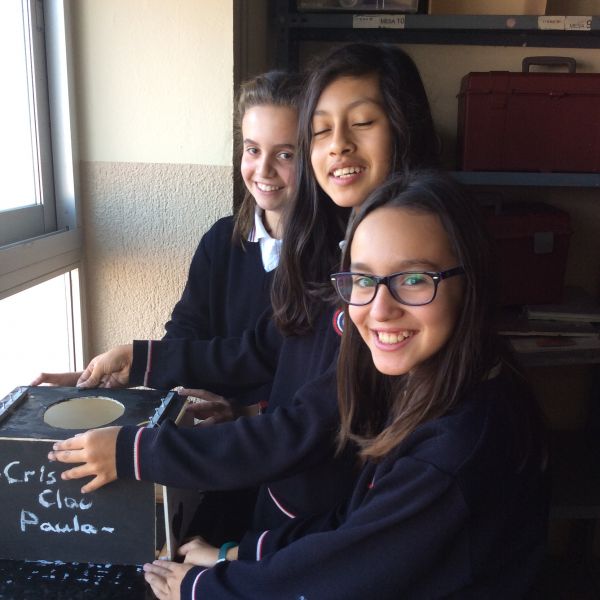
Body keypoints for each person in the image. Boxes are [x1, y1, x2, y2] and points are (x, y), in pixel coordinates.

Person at [47, 44, 439, 533]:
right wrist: (141, 361)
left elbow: (313, 422)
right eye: (323, 130)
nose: (339, 146)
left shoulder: (362, 265)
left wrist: (141, 452)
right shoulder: (294, 245)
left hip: (298, 493)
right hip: (257, 475)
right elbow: (261, 346)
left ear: (403, 127)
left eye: (362, 123)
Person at [141, 170, 549, 599]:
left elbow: (338, 581)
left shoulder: (455, 451)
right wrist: (236, 554)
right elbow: (356, 530)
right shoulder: (432, 383)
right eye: (364, 280)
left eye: (414, 279)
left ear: (472, 282)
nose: (380, 310)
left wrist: (201, 589)